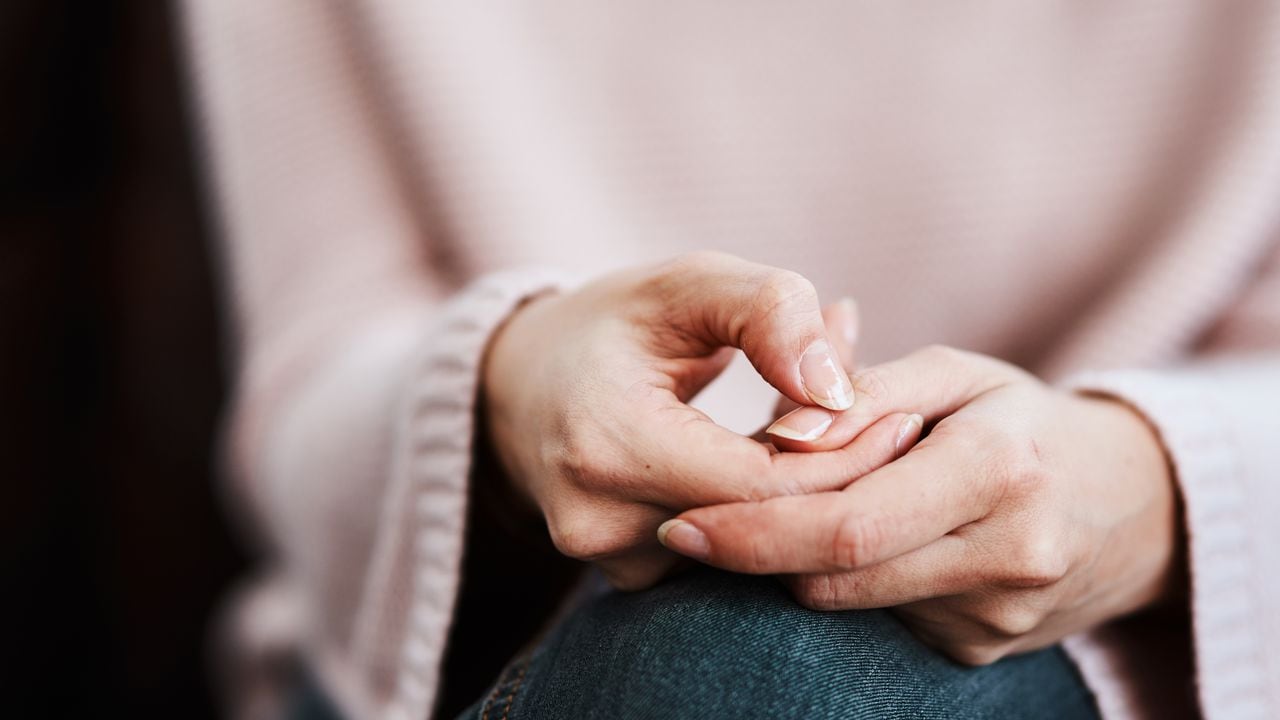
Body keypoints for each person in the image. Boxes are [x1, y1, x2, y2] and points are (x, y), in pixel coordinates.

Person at [181, 2, 1280, 719]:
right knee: (739, 664)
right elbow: (318, 357)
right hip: (460, 649)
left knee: (750, 666)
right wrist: (515, 386)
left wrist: (1150, 491)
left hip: (1160, 653)